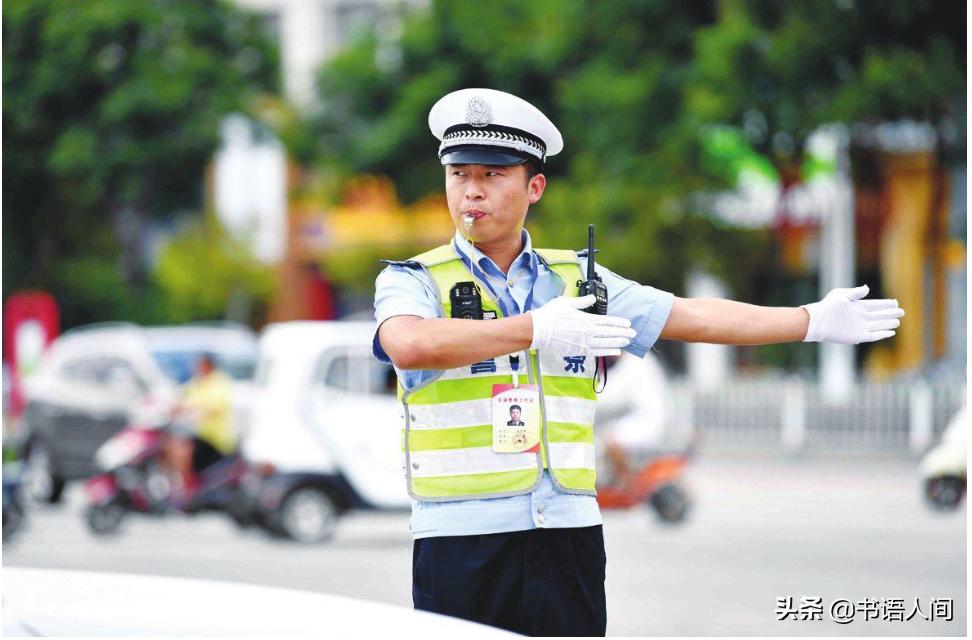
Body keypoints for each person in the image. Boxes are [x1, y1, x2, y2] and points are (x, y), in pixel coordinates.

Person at [373, 88, 904, 636]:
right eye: (460, 174)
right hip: (460, 540)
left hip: (566, 534)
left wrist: (810, 320)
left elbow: (691, 315)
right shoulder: (414, 280)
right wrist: (536, 328)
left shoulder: (579, 280)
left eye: (493, 175)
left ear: (534, 187)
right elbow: (408, 344)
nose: (472, 191)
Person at [162, 354, 236, 502]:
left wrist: (190, 408)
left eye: (199, 365)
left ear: (209, 365)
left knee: (182, 450)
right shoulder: (198, 382)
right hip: (199, 435)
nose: (196, 369)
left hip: (216, 439)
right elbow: (181, 396)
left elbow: (214, 406)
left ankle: (189, 487)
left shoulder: (219, 382)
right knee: (167, 445)